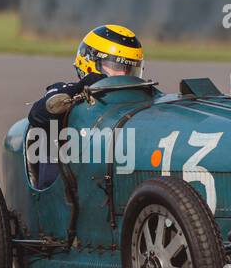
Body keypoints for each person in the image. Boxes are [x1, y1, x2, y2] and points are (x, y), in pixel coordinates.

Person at [27, 25, 145, 187]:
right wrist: (80, 89)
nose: (124, 75)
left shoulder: (138, 98)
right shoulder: (65, 91)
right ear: (90, 62)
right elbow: (37, 115)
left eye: (130, 68)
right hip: (70, 189)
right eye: (117, 67)